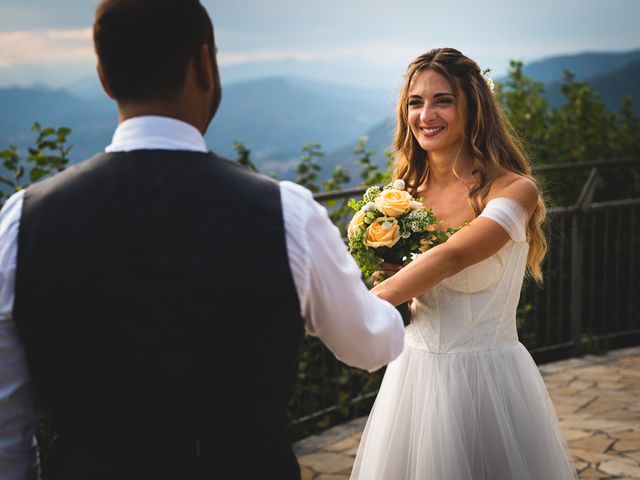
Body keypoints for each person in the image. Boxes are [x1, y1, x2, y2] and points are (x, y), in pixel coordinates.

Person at [0, 1, 405, 479]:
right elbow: (369, 347)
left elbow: (8, 428)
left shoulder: (24, 220)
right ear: (204, 66)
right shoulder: (286, 213)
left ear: (104, 78)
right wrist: (395, 301)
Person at [350, 48, 578, 480]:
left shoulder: (514, 190)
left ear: (473, 108)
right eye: (415, 102)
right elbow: (414, 281)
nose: (426, 114)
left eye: (443, 100)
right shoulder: (401, 198)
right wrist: (393, 279)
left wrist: (363, 305)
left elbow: (453, 256)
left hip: (489, 381)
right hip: (413, 379)